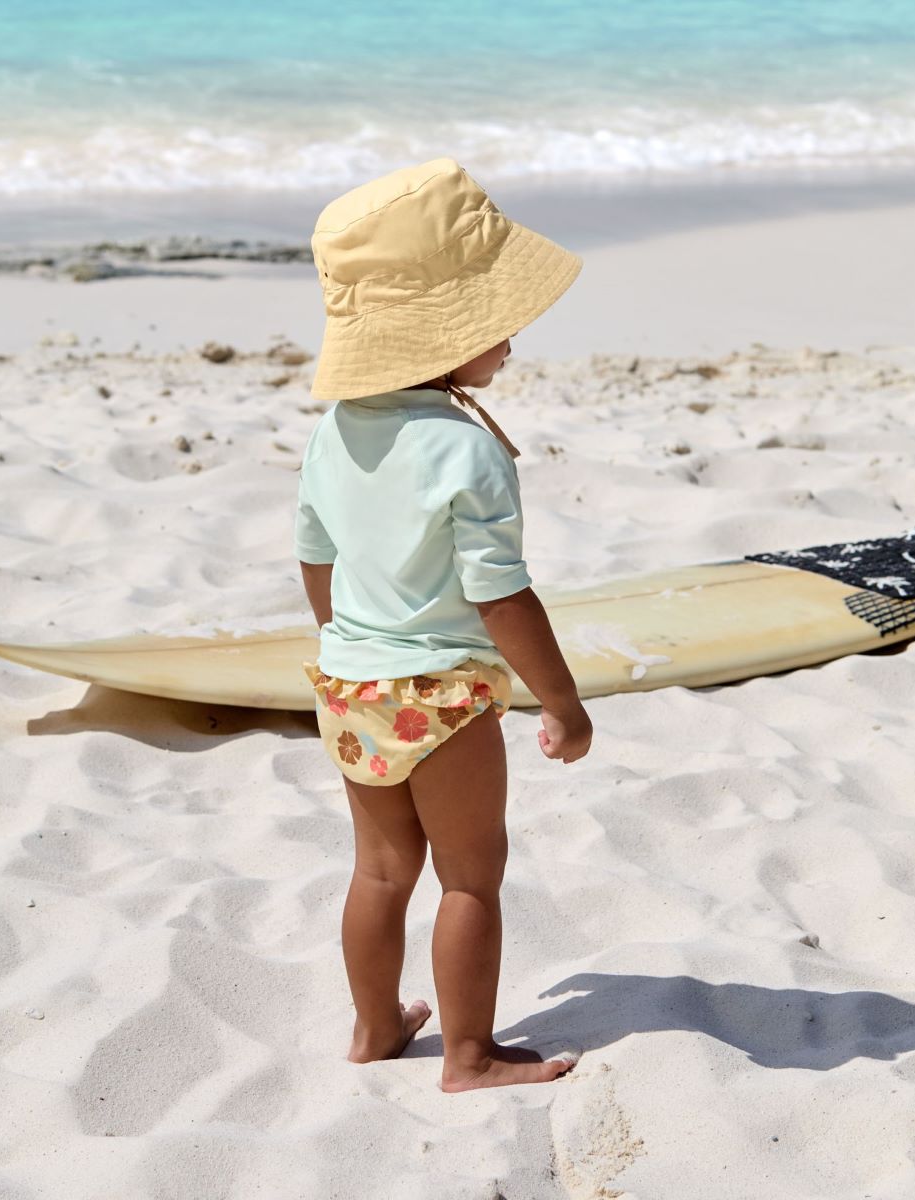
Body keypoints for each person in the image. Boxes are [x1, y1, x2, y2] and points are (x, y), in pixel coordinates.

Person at [294, 157, 593, 1092]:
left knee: (381, 871)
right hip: (442, 699)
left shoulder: (334, 430)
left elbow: (316, 556)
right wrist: (563, 704)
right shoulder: (467, 450)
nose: (511, 338)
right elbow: (502, 598)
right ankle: (468, 1056)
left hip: (349, 685)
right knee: (470, 878)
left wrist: (353, 645)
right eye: (495, 321)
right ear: (443, 337)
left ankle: (375, 1029)